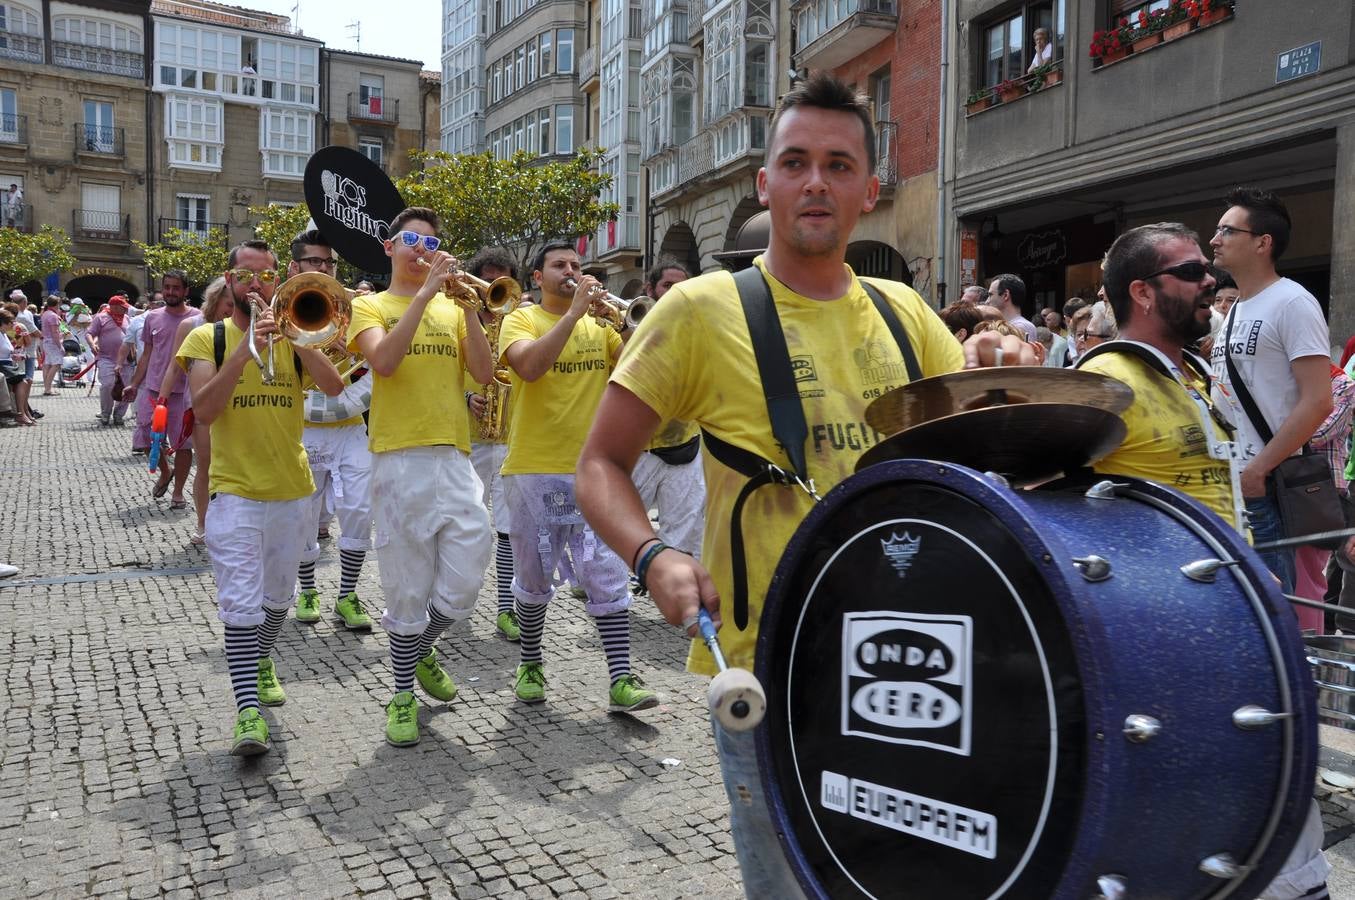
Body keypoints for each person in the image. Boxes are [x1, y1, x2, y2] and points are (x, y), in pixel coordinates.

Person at [574, 72, 1030, 892]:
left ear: (868, 186)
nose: (814, 180)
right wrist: (652, 557)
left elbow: (968, 466)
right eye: (794, 162)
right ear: (764, 185)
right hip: (770, 660)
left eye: (836, 163)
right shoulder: (699, 310)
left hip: (913, 659)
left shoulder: (908, 313)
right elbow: (599, 464)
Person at [1082, 220, 1331, 900]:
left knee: (1278, 789)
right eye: (1190, 273)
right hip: (1170, 646)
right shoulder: (1104, 381)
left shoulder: (1187, 373)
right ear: (1140, 291)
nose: (1210, 282)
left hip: (1238, 627)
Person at [174, 240, 343, 755]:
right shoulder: (208, 338)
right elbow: (204, 411)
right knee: (241, 605)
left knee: (276, 603)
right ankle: (248, 712)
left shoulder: (296, 338)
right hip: (235, 492)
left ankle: (263, 659)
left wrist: (298, 338)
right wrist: (246, 351)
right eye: (245, 277)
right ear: (229, 281)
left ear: (281, 281)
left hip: (292, 490)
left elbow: (335, 387)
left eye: (267, 277)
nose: (256, 286)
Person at [348, 207, 495, 747]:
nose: (422, 248)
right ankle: (402, 693)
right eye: (410, 238)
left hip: (454, 455)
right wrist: (426, 295)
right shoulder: (368, 304)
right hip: (398, 455)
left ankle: (422, 646)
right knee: (406, 586)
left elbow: (483, 373)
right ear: (389, 248)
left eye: (430, 241)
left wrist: (471, 310)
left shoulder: (454, 309)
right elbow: (383, 362)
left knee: (467, 573)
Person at [496, 240, 658, 712]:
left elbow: (634, 368)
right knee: (534, 576)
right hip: (533, 471)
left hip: (592, 472)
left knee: (605, 572)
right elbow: (529, 367)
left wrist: (629, 326)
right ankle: (530, 660)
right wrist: (573, 315)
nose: (571, 272)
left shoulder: (598, 326)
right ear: (536, 278)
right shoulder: (520, 320)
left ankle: (622, 678)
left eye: (576, 265)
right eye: (560, 266)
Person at [1210, 187, 1333, 595]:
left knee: (1268, 609)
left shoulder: (1293, 302)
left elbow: (1319, 399)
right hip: (1228, 484)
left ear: (1263, 243)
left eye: (1227, 231)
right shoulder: (1237, 310)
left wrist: (1257, 470)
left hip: (1262, 485)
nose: (1215, 240)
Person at [287, 230, 375, 631]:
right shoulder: (281, 310)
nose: (323, 269)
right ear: (295, 267)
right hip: (303, 425)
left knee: (359, 509)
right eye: (314, 262)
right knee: (304, 513)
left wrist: (350, 349)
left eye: (328, 263)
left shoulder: (357, 310)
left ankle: (347, 594)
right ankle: (307, 589)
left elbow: (374, 363)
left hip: (351, 424)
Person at [629, 256, 706, 573]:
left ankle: (677, 591)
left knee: (684, 534)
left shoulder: (699, 326)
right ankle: (607, 594)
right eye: (668, 286)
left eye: (682, 285)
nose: (676, 291)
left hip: (686, 446)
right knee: (623, 529)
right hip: (638, 449)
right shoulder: (627, 324)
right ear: (650, 289)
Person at [464, 247, 522, 640]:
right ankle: (457, 598)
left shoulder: (519, 321)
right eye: (487, 279)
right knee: (466, 527)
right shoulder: (458, 318)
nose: (493, 288)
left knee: (508, 530)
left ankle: (506, 608)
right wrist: (464, 399)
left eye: (501, 280)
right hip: (466, 441)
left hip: (510, 437)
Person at [158, 277, 233, 545]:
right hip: (200, 408)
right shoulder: (192, 325)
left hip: (237, 408)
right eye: (229, 304)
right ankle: (203, 524)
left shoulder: (242, 325)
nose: (233, 310)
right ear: (215, 299)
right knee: (207, 467)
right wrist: (162, 400)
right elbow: (173, 366)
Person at [125, 271, 197, 507]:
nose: (171, 292)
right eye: (167, 287)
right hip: (153, 390)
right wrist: (134, 384)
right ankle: (165, 472)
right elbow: (147, 354)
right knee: (145, 438)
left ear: (186, 291)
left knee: (183, 444)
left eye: (176, 288)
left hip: (184, 392)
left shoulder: (198, 318)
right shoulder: (152, 317)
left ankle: (178, 493)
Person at [86, 295, 134, 426]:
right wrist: (92, 344)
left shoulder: (127, 319)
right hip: (106, 358)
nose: (125, 310)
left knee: (127, 387)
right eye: (122, 307)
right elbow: (89, 333)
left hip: (126, 360)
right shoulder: (101, 317)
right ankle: (105, 413)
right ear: (113, 306)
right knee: (107, 384)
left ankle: (119, 414)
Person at [984, 273, 1038, 340]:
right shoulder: (1011, 325)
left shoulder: (1020, 326)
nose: (987, 301)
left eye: (990, 295)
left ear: (1006, 295)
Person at [40, 296, 63, 396]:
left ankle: (47, 388)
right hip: (52, 343)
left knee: (47, 364)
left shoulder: (45, 313)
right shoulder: (53, 316)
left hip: (46, 341)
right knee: (56, 364)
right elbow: (55, 332)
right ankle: (48, 388)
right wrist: (60, 346)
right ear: (57, 304)